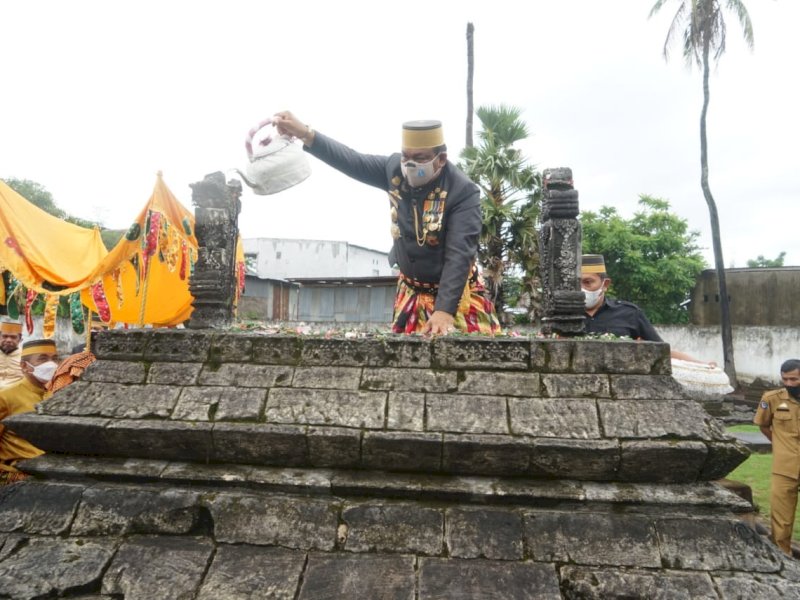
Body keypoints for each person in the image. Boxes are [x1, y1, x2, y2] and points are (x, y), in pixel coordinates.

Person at [271, 112, 500, 336]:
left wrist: (444, 310)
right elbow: (352, 160)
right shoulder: (392, 170)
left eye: (420, 158)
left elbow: (459, 254)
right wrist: (305, 133)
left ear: (441, 159)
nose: (410, 164)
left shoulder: (463, 191)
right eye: (405, 156)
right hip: (411, 292)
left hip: (455, 297)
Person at [580, 254, 714, 365]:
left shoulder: (629, 313)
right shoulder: (561, 315)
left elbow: (662, 351)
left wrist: (701, 364)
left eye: (587, 282)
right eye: (576, 283)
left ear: (605, 284)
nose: (581, 289)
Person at [753, 358, 800, 555]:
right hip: (785, 467)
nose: (789, 384)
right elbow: (763, 425)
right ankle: (784, 561)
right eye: (785, 379)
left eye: (794, 379)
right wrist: (780, 444)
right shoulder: (771, 398)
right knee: (781, 520)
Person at [0, 338, 59, 485]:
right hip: (17, 477)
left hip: (49, 472)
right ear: (24, 366)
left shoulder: (54, 396)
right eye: (43, 359)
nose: (50, 364)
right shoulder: (6, 396)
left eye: (54, 359)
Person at [0, 319, 23, 388]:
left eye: (13, 337)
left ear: (20, 340)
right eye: (5, 336)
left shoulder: (27, 357)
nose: (8, 340)